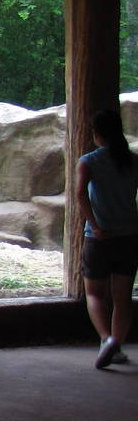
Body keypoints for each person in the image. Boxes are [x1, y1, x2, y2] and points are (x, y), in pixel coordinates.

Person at [75, 109, 138, 369]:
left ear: (97, 134)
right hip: (129, 236)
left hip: (99, 237)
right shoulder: (134, 161)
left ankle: (106, 339)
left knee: (95, 293)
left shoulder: (89, 161)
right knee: (122, 297)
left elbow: (80, 195)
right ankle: (118, 347)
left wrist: (95, 225)